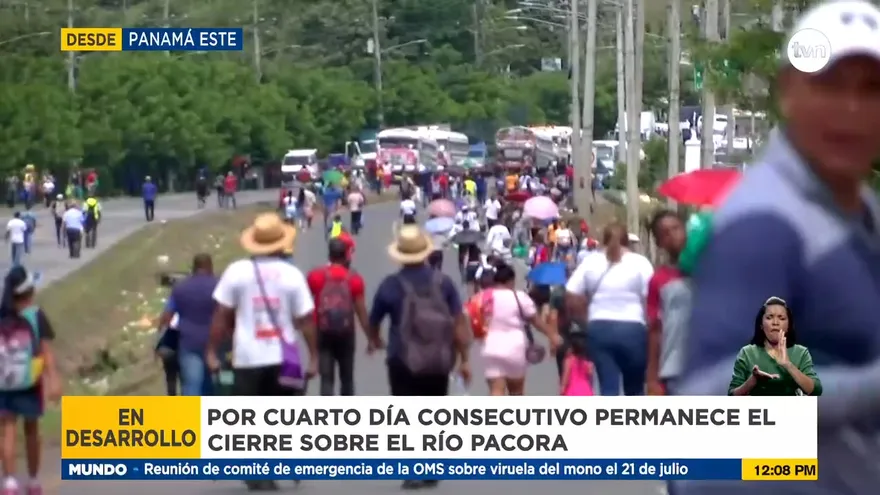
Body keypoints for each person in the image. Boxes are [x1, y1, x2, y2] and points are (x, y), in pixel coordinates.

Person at [676, 4, 880, 494]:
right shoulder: (764, 227)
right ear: (789, 93)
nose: (850, 109)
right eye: (829, 86)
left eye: (871, 89)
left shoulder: (860, 210)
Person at [207, 213, 317, 491]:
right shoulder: (292, 275)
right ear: (281, 244)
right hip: (284, 358)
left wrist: (211, 351)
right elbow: (305, 321)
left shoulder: (236, 272)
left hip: (247, 357)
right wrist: (314, 356)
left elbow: (221, 316)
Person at [369, 226, 471, 488]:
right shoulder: (444, 283)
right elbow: (459, 323)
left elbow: (374, 320)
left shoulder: (390, 285)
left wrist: (375, 341)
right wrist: (465, 358)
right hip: (439, 357)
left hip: (402, 358)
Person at [565, 222, 653, 396]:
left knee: (608, 387)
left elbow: (570, 295)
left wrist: (585, 320)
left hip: (599, 328)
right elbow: (651, 297)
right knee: (635, 389)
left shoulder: (591, 262)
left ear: (603, 240)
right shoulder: (640, 263)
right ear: (627, 241)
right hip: (633, 329)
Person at [0, 266, 61, 495]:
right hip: (30, 382)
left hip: (5, 382)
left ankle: (9, 483)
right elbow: (46, 351)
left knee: (7, 431)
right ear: (29, 292)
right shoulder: (35, 315)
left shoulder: (2, 316)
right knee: (32, 431)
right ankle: (33, 481)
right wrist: (53, 378)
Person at [479, 263, 560, 396]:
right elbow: (536, 321)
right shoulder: (519, 297)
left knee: (496, 391)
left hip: (491, 347)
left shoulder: (484, 298)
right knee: (516, 392)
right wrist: (552, 334)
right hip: (514, 349)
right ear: (511, 281)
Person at [306, 238, 374, 396]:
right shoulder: (354, 279)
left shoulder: (315, 276)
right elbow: (361, 311)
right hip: (346, 332)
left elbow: (306, 307)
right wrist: (370, 337)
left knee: (326, 379)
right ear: (346, 256)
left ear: (329, 255)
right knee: (347, 378)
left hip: (322, 332)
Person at [728, 297, 822, 397]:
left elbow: (816, 390)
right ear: (761, 324)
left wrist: (788, 364)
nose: (775, 323)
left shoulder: (800, 353)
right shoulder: (747, 353)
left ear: (788, 325)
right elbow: (732, 395)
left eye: (781, 318)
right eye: (769, 317)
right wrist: (753, 380)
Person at [158, 254, 217, 396]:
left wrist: (161, 335)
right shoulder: (220, 285)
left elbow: (167, 317)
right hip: (216, 342)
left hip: (189, 342)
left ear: (194, 267)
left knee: (191, 384)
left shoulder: (180, 288)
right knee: (213, 383)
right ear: (210, 267)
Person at [645, 210, 690, 396]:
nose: (673, 235)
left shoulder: (710, 269)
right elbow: (655, 331)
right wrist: (652, 379)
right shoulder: (659, 280)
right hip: (674, 371)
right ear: (659, 242)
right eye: (665, 233)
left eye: (676, 228)